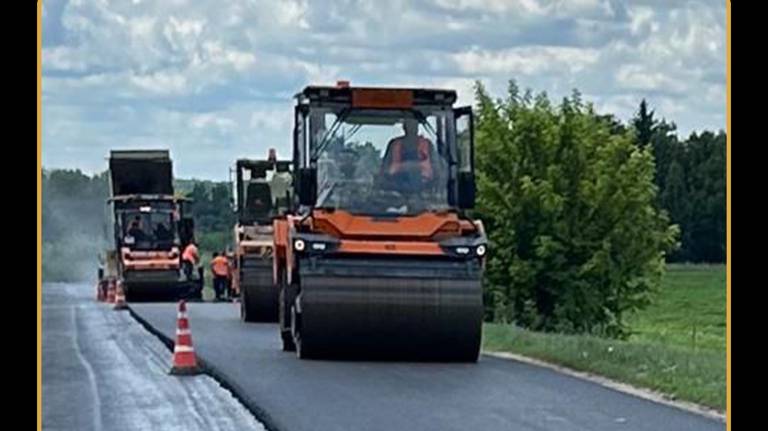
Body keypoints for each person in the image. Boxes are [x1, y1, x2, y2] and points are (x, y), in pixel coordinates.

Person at [380, 119, 435, 191]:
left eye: (414, 125)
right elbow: (385, 171)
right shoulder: (394, 145)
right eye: (409, 124)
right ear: (404, 127)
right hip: (394, 193)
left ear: (417, 127)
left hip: (426, 193)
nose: (411, 127)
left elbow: (437, 171)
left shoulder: (427, 145)